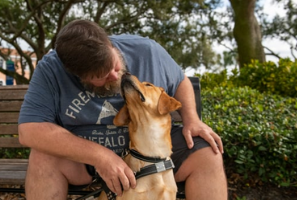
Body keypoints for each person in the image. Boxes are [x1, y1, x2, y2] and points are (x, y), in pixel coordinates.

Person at [18, 19, 228, 200]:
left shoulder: (147, 51)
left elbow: (180, 80)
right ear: (76, 74)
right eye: (101, 76)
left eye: (115, 66)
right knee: (42, 158)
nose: (114, 76)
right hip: (86, 161)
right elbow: (29, 131)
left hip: (157, 154)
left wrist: (192, 119)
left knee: (208, 153)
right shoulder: (51, 69)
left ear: (109, 43)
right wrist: (100, 156)